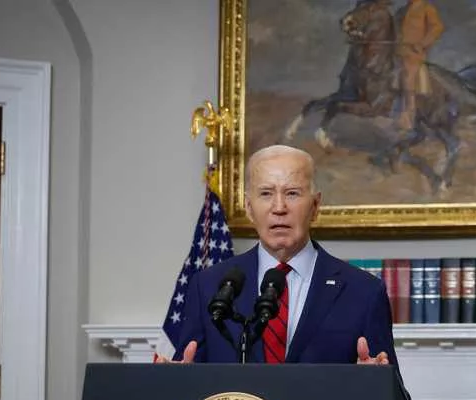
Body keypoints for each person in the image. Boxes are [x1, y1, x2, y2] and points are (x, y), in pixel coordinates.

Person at [160, 145, 394, 366]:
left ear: (315, 206)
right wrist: (178, 381)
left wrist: (375, 384)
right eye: (266, 193)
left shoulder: (364, 292)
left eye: (292, 193)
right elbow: (192, 391)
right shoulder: (208, 286)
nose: (279, 207)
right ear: (249, 208)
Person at [395, 0, 444, 130]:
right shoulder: (402, 11)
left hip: (414, 54)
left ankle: (409, 115)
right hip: (398, 52)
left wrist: (422, 44)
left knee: (408, 78)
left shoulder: (426, 8)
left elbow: (437, 27)